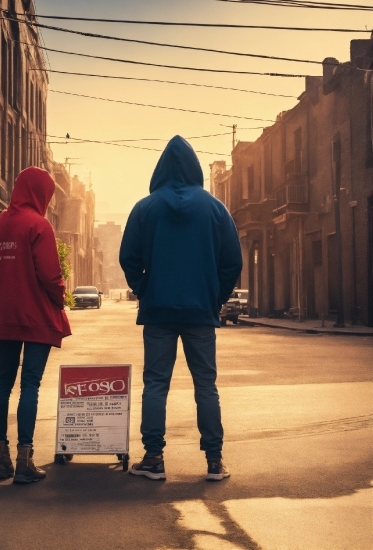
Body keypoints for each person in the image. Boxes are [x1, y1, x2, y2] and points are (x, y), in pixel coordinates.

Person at [119, 135, 242, 481]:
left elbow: (128, 258)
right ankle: (215, 462)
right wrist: (214, 297)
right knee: (206, 384)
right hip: (200, 311)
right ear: (194, 167)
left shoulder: (145, 208)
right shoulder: (215, 208)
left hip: (159, 310)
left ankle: (154, 458)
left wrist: (145, 289)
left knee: (156, 383)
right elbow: (232, 261)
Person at [0, 166, 71, 484]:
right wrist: (61, 298)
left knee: (2, 382)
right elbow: (51, 276)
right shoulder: (39, 225)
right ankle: (25, 459)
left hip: (6, 314)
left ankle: (1, 457)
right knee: (30, 385)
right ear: (40, 193)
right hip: (35, 316)